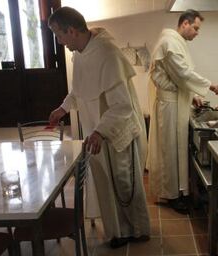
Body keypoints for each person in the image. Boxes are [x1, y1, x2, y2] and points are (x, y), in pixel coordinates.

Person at [48, 7, 150, 248]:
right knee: (106, 184)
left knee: (124, 184)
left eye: (59, 35)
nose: (60, 42)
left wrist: (100, 131)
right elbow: (79, 89)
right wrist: (63, 108)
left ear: (71, 31)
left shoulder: (108, 53)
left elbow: (123, 106)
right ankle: (117, 232)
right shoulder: (81, 53)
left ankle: (137, 230)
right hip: (96, 134)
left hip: (115, 133)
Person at [147, 9, 218, 213]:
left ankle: (178, 192)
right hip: (170, 106)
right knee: (169, 151)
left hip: (176, 102)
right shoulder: (170, 43)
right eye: (196, 28)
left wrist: (194, 96)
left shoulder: (177, 42)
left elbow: (179, 79)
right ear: (185, 24)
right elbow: (183, 73)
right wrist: (209, 85)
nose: (197, 32)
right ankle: (170, 196)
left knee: (175, 150)